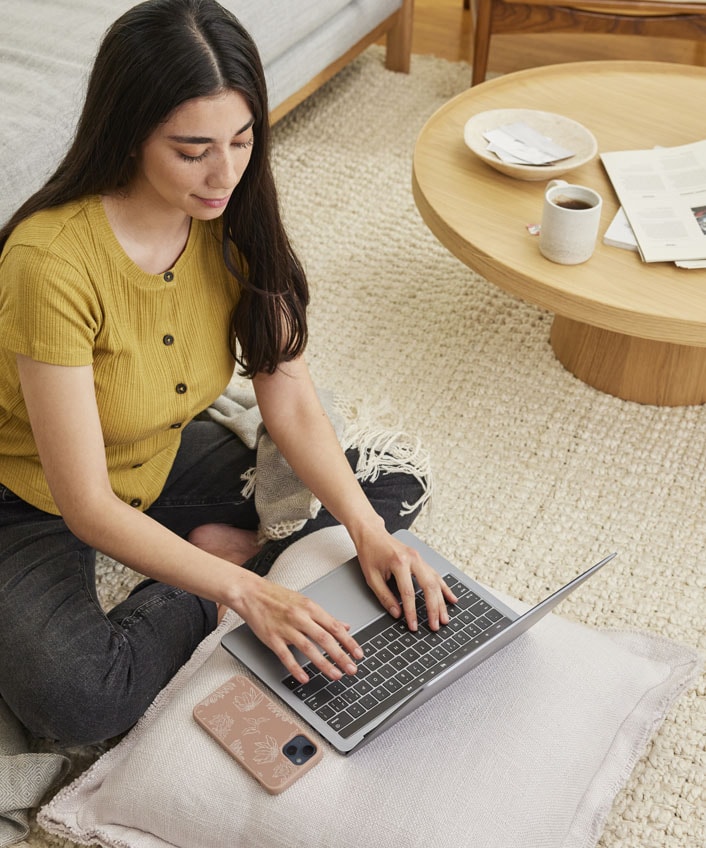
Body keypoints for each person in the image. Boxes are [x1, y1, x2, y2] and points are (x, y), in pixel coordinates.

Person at [0, 0, 456, 746]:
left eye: (242, 141)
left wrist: (369, 533)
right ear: (130, 133)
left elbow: (294, 403)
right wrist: (244, 593)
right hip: (30, 496)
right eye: (192, 150)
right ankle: (210, 581)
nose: (225, 173)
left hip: (159, 451)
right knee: (80, 701)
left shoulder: (234, 220)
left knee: (387, 487)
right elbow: (83, 504)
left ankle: (229, 551)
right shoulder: (51, 264)